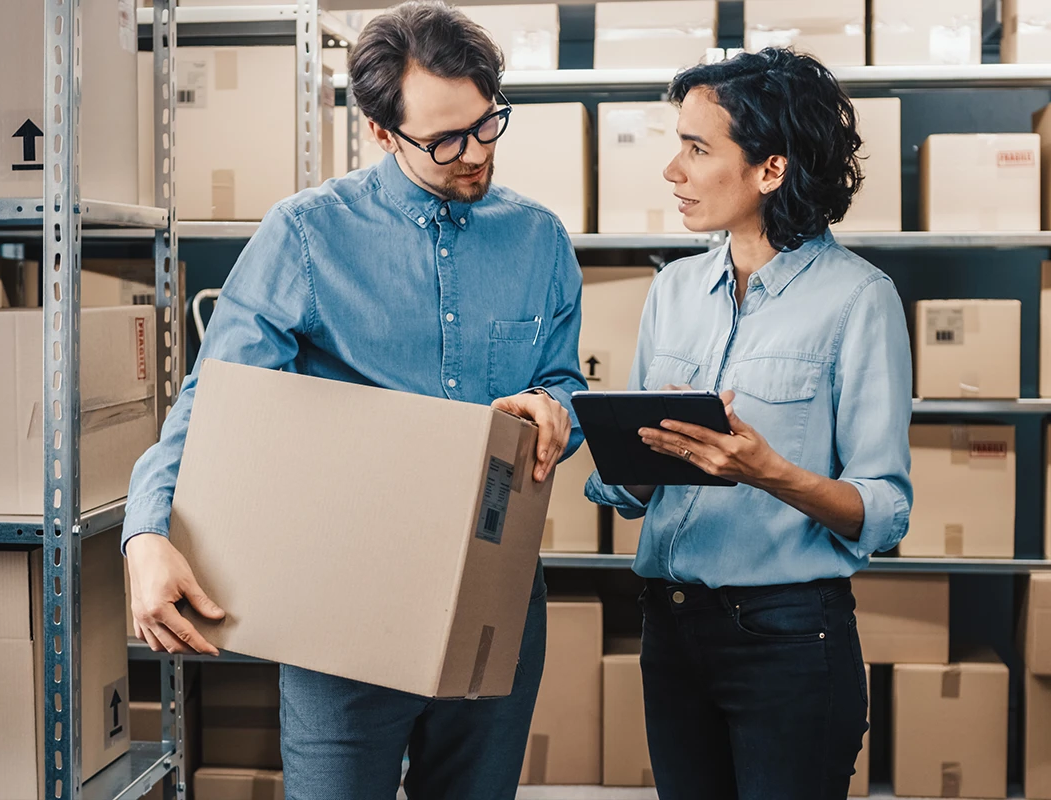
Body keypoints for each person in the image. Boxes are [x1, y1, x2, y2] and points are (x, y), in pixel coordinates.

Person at [122, 2, 587, 797]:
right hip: (343, 604)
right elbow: (216, 403)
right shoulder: (305, 236)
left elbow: (562, 379)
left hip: (495, 595)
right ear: (380, 132)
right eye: (444, 141)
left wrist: (558, 410)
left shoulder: (540, 239)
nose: (474, 154)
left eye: (486, 125)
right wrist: (146, 533)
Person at [585, 49, 913, 799]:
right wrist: (638, 457)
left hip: (790, 638)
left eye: (697, 149)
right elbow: (628, 492)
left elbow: (885, 511)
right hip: (670, 629)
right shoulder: (672, 290)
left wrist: (769, 473)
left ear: (771, 170)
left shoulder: (859, 301)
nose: (673, 170)